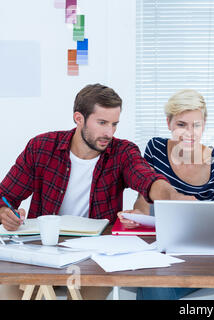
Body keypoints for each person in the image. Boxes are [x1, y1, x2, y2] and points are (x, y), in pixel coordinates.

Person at [0, 83, 193, 299]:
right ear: (79, 118)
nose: (109, 133)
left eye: (114, 124)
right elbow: (4, 197)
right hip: (42, 254)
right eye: (102, 123)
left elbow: (148, 181)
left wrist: (176, 197)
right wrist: (5, 214)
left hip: (94, 258)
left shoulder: (122, 152)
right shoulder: (41, 147)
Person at [119, 89, 214, 300]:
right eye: (181, 125)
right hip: (163, 249)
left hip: (202, 253)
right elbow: (144, 198)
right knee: (151, 282)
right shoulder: (155, 148)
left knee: (154, 286)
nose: (189, 133)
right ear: (169, 123)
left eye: (196, 125)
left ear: (204, 124)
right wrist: (137, 215)